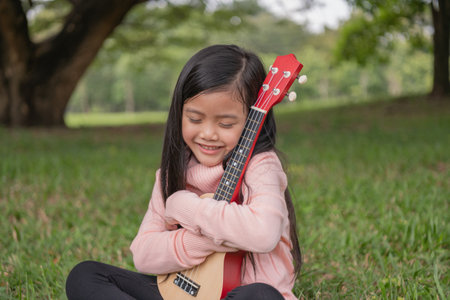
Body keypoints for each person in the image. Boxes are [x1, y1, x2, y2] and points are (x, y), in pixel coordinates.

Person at [66, 44, 302, 300]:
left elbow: (263, 234)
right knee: (86, 275)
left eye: (225, 123)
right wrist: (207, 240)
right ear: (179, 113)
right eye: (195, 119)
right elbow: (144, 254)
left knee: (261, 296)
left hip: (241, 295)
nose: (208, 134)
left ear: (252, 119)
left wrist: (188, 208)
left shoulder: (262, 165)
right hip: (177, 292)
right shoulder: (173, 172)